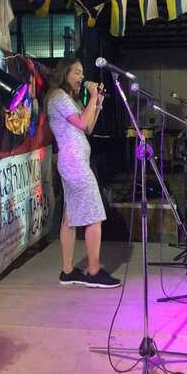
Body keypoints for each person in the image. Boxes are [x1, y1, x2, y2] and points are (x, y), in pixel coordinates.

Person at [46, 58, 121, 288]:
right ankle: (94, 272)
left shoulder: (70, 99)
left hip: (74, 163)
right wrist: (92, 96)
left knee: (70, 218)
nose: (81, 77)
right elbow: (81, 122)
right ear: (65, 73)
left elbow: (88, 127)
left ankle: (68, 271)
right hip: (75, 165)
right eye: (77, 72)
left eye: (82, 73)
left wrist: (97, 101)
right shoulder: (58, 96)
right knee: (94, 215)